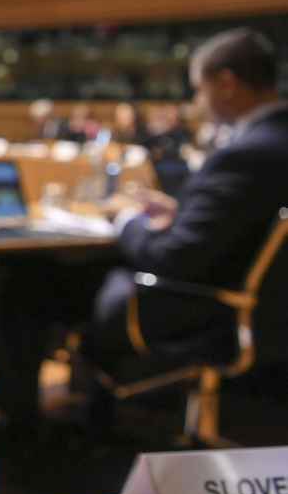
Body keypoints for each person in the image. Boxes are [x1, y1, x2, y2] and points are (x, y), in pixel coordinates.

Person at [84, 29, 288, 388]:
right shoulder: (274, 142)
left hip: (209, 311)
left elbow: (171, 256)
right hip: (270, 313)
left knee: (63, 278)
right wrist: (182, 214)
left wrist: (126, 218)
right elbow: (244, 224)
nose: (198, 102)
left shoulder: (246, 153)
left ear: (226, 83)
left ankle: (64, 421)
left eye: (199, 89)